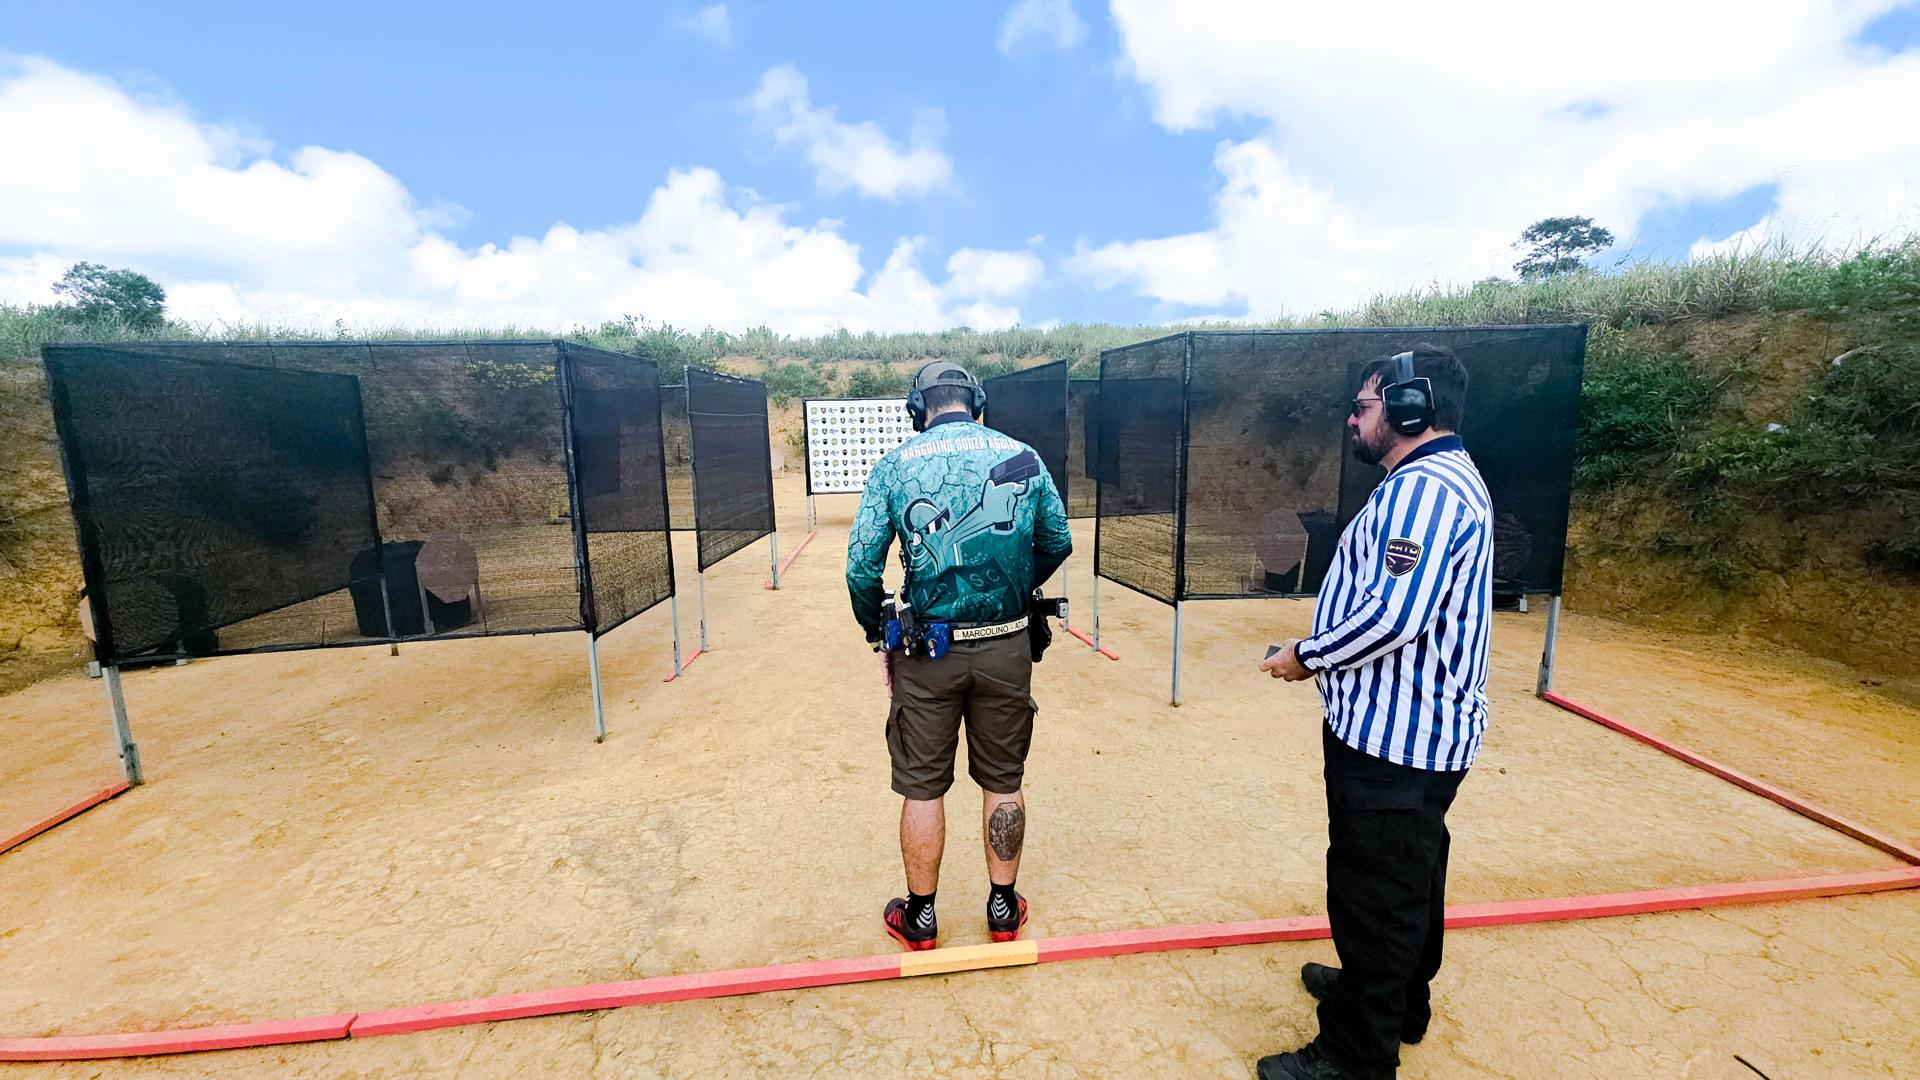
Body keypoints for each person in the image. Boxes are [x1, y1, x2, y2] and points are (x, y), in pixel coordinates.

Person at [1255, 345, 1494, 1080]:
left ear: (1409, 407)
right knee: (1408, 876)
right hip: (1409, 733)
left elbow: (1393, 617)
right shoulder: (1432, 481)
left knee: (1374, 894)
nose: (1353, 420)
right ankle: (1395, 999)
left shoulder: (1424, 493)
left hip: (1398, 740)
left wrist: (1307, 654)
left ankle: (1356, 1054)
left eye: (1363, 406)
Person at [846, 361, 1073, 951]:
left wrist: (876, 630)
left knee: (922, 786)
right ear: (977, 402)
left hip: (928, 652)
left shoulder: (895, 465)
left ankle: (921, 918)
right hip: (1008, 645)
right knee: (1004, 780)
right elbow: (1058, 540)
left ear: (916, 409)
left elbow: (860, 568)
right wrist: (1015, 586)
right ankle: (1003, 908)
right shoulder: (1022, 454)